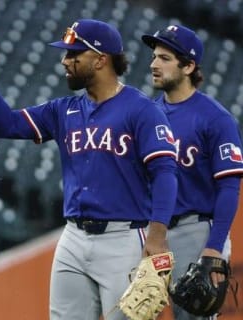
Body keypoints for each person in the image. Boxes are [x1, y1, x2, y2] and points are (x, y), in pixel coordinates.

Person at [0, 19, 179, 320]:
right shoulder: (64, 110)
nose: (65, 60)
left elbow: (165, 172)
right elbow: (5, 124)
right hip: (73, 237)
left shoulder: (142, 110)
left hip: (123, 238)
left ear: (100, 60)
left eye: (74, 54)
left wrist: (158, 235)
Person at [142, 25, 243, 319]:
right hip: (152, 232)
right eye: (154, 56)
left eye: (164, 58)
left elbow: (229, 187)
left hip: (195, 230)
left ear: (188, 66)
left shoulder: (216, 119)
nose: (153, 64)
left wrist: (213, 247)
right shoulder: (147, 115)